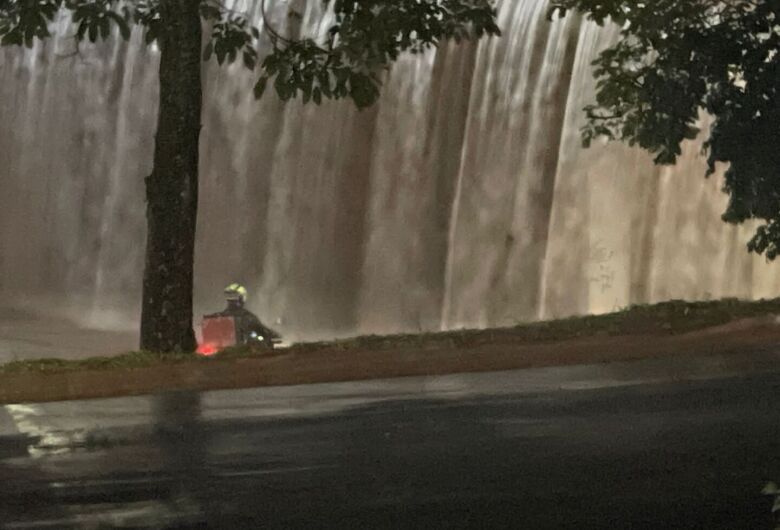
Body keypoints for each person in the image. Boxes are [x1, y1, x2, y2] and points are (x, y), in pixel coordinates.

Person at [207, 283, 280, 348]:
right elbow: (262, 330)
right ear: (242, 298)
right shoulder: (247, 317)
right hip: (245, 352)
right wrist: (273, 335)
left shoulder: (218, 317)